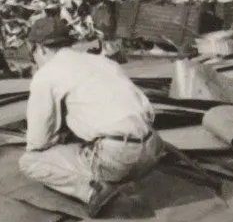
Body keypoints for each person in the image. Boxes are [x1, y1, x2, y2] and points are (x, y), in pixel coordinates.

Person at [17, 15, 161, 206]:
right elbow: (148, 112)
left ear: (40, 48)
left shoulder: (46, 74)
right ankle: (121, 179)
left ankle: (94, 192)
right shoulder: (103, 62)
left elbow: (38, 142)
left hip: (118, 158)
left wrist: (58, 139)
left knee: (30, 162)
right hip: (153, 149)